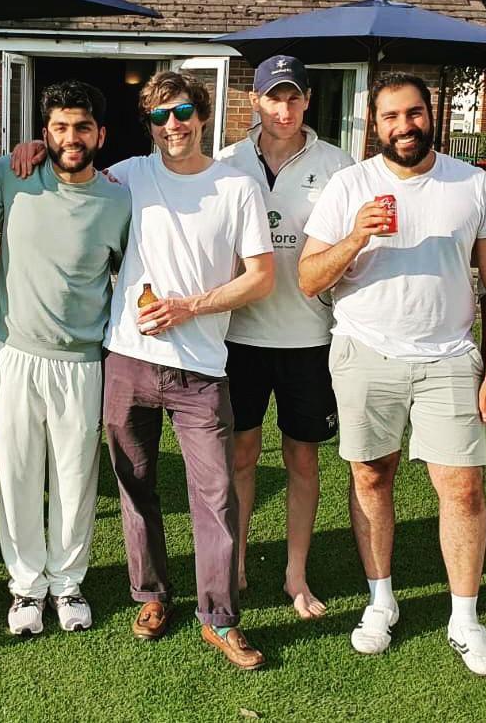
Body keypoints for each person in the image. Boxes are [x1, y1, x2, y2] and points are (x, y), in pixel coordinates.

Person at [298, 71, 486, 678]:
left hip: (449, 357)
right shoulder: (350, 185)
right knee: (371, 477)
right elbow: (310, 279)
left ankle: (465, 618)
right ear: (376, 124)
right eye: (391, 117)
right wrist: (356, 237)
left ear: (433, 116)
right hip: (365, 353)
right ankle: (380, 602)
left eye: (414, 113)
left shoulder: (473, 184)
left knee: (464, 488)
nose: (404, 126)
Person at [92, 71, 275, 669]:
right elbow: (66, 179)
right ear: (148, 124)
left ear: (202, 115)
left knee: (216, 495)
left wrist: (190, 306)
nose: (173, 124)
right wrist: (32, 150)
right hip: (129, 359)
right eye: (160, 115)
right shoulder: (126, 176)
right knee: (134, 484)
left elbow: (261, 277)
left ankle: (218, 617)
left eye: (183, 112)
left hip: (201, 369)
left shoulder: (237, 187)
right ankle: (151, 594)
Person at [0, 81, 130, 636]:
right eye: (61, 128)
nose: (72, 138)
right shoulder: (11, 177)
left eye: (83, 127)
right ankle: (26, 589)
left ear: (101, 134)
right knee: (17, 473)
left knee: (75, 477)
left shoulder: (119, 199)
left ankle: (67, 584)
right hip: (18, 353)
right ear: (44, 134)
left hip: (82, 361)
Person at [213, 55, 353, 620]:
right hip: (238, 337)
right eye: (274, 98)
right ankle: (238, 560)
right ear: (255, 102)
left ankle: (296, 573)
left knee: (301, 457)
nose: (284, 109)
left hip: (309, 337)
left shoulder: (339, 165)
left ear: (307, 102)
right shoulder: (224, 164)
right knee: (239, 453)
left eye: (294, 98)